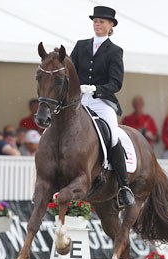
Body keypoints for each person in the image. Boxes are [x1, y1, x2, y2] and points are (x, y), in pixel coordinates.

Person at [70, 6, 134, 207]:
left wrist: (96, 89)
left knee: (113, 135)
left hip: (101, 101)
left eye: (102, 22)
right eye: (96, 21)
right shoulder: (81, 46)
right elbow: (70, 71)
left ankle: (124, 186)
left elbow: (116, 83)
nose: (98, 24)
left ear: (111, 26)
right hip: (79, 100)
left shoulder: (115, 51)